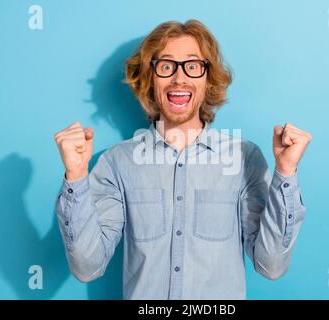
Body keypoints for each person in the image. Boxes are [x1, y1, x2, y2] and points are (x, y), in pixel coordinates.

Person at [54, 19, 312, 299]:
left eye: (192, 66)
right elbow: (87, 268)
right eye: (166, 66)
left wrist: (286, 171)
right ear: (150, 78)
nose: (179, 78)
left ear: (208, 78)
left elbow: (271, 266)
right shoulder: (117, 163)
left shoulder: (244, 159)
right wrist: (76, 176)